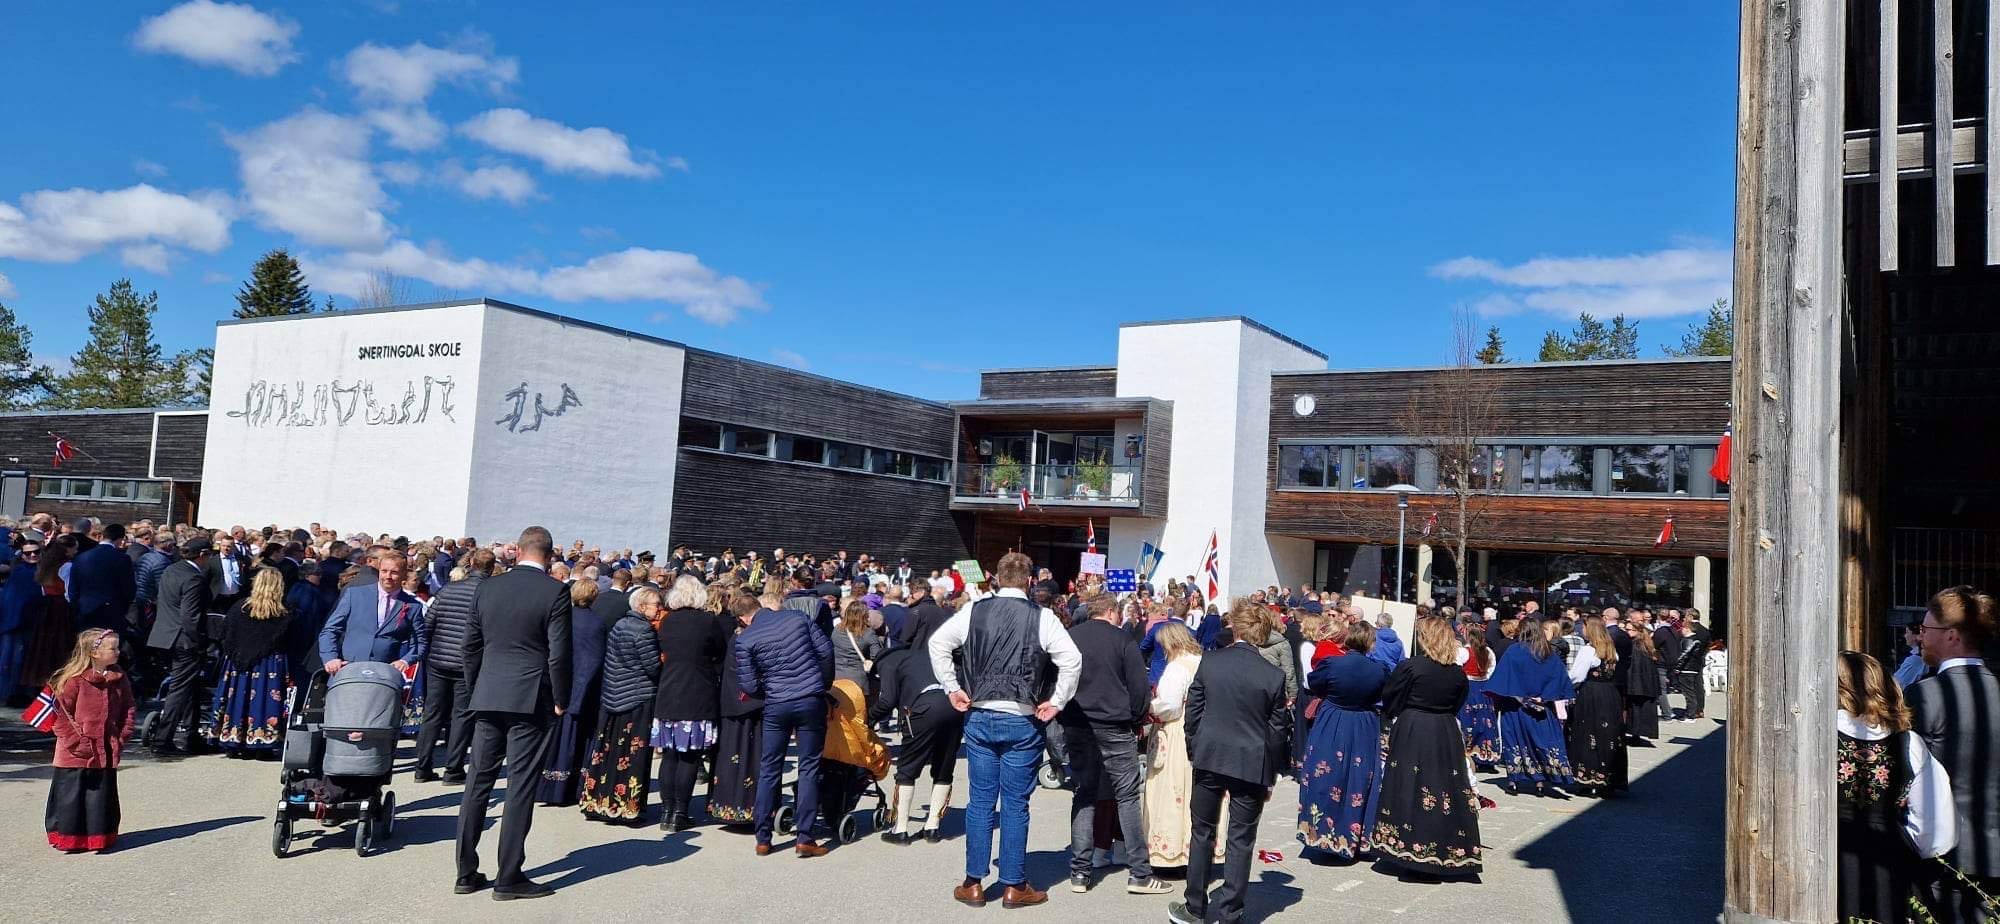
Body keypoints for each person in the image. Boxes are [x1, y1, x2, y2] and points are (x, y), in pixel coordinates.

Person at [928, 551, 1083, 909]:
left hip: (981, 712)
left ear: (997, 578)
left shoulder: (974, 609)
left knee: (981, 800)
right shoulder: (1042, 617)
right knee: (1015, 803)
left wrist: (952, 687)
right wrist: (1057, 700)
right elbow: (1071, 660)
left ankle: (973, 882)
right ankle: (1014, 884)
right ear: (1030, 582)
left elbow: (938, 644)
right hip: (1021, 714)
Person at [454, 526, 573, 902]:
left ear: (517, 550)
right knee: (519, 787)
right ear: (550, 555)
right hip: (530, 696)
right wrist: (561, 697)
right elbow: (559, 652)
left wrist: (476, 688)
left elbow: (470, 646)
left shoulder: (488, 586)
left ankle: (465, 871)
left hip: (488, 691)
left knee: (478, 783)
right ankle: (508, 876)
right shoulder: (555, 591)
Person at [1167, 599, 1291, 924]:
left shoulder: (1211, 662)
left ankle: (1195, 906)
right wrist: (1272, 774)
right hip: (1251, 760)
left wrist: (1195, 748)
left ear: (1234, 628)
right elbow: (1278, 732)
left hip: (1211, 755)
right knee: (1241, 838)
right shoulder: (1273, 675)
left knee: (1202, 831)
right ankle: (1229, 913)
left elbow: (1192, 713)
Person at [1059, 594, 1170, 894]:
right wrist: (1135, 722)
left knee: (1084, 794)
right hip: (1114, 723)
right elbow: (1138, 689)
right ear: (1110, 612)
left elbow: (1058, 679)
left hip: (1079, 722)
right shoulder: (1122, 640)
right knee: (1127, 797)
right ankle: (1140, 873)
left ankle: (1079, 872)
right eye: (1119, 613)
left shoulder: (1071, 637)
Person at [1837, 650, 1957, 923]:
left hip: (1825, 859)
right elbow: (1937, 828)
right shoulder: (1908, 743)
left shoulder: (1815, 737)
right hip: (1888, 861)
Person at [1905, 585, 2000, 922]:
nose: (1920, 638)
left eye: (1925, 630)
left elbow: (1903, 780)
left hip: (1942, 857)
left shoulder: (1924, 697)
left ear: (1952, 636)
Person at [1373, 617, 1483, 879]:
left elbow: (1391, 698)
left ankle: (1409, 850)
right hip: (1444, 729)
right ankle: (1441, 848)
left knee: (1408, 786)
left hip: (1414, 726)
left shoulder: (1411, 666)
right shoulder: (1456, 672)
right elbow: (1459, 701)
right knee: (1443, 788)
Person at [736, 576, 835, 857]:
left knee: (769, 768)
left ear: (745, 618)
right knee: (809, 767)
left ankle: (763, 837)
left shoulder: (746, 640)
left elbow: (747, 684)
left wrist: (766, 690)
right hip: (808, 698)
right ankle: (804, 836)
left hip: (776, 703)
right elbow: (825, 652)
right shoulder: (797, 619)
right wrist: (822, 684)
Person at [870, 594, 963, 844]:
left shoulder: (889, 662)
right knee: (943, 769)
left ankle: (900, 829)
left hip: (923, 708)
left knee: (907, 770)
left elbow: (887, 701)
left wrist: (867, 720)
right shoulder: (923, 656)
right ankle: (932, 827)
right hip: (954, 706)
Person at [1297, 619, 1389, 862]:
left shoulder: (1332, 664)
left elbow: (1315, 684)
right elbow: (1383, 694)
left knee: (1327, 773)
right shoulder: (1379, 669)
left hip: (1333, 719)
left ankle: (1322, 833)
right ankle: (1356, 836)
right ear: (1370, 643)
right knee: (1360, 778)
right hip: (1364, 722)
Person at [43, 628, 135, 853]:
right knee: (72, 797)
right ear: (94, 653)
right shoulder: (74, 681)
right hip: (75, 753)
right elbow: (59, 714)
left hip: (106, 748)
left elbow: (129, 707)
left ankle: (99, 836)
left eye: (117, 647)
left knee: (99, 797)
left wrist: (122, 735)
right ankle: (68, 837)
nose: (117, 652)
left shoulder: (119, 678)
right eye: (112, 648)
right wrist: (77, 742)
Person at [579, 585, 662, 825]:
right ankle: (626, 805)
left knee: (607, 750)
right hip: (636, 696)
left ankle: (596, 799)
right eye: (656, 604)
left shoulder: (620, 625)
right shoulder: (643, 631)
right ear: (642, 606)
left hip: (613, 693)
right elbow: (652, 667)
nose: (659, 609)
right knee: (632, 753)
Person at [653, 575, 729, 831]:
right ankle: (679, 812)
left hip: (669, 688)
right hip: (698, 690)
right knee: (690, 756)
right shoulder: (708, 621)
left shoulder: (667, 621)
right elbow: (720, 651)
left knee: (670, 755)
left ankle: (666, 810)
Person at [414, 548, 492, 783]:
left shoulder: (449, 589)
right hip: (467, 663)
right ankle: (453, 768)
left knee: (432, 714)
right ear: (491, 567)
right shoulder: (488, 593)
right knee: (462, 716)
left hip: (438, 659)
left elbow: (428, 625)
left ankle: (422, 767)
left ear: (470, 563)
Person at [206, 569, 295, 756]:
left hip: (238, 662)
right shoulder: (283, 612)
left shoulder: (239, 607)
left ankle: (234, 738)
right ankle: (263, 741)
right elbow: (286, 639)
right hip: (268, 663)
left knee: (238, 698)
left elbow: (226, 635)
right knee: (263, 700)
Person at [1485, 615, 1575, 795]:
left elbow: (1501, 678)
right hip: (1541, 707)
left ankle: (1513, 781)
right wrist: (1546, 697)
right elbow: (1560, 679)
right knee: (1539, 743)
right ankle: (1540, 782)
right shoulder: (1548, 652)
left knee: (1514, 743)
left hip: (1515, 707)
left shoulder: (1514, 651)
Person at [1143, 622, 1207, 870]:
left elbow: (1169, 706)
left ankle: (1171, 851)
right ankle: (1195, 848)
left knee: (1171, 788)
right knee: (1193, 790)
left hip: (1178, 730)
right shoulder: (1201, 661)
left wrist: (1150, 707)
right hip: (1201, 728)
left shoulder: (1177, 668)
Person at [538, 579, 607, 806]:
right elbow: (594, 661)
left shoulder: (563, 618)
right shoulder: (596, 623)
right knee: (574, 741)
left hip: (560, 685)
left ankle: (552, 788)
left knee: (558, 741)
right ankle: (571, 788)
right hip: (582, 689)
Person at [143, 536, 213, 756]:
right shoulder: (194, 578)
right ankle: (163, 740)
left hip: (165, 636)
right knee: (179, 689)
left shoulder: (171, 570)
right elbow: (189, 616)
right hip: (184, 639)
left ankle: (191, 736)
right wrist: (199, 642)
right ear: (202, 555)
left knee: (190, 687)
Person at [710, 589, 766, 828]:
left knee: (737, 755)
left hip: (736, 704)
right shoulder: (746, 638)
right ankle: (743, 807)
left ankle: (733, 806)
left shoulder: (741, 637)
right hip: (746, 705)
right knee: (747, 755)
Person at [318, 551, 424, 676]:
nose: (388, 576)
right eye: (384, 571)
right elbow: (330, 629)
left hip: (384, 675)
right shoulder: (355, 594)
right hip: (348, 671)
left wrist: (405, 661)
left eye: (394, 572)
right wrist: (330, 658)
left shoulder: (412, 605)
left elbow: (419, 642)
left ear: (403, 575)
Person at [1565, 616, 1629, 796]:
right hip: (1610, 694)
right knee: (1609, 735)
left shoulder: (1588, 650)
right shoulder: (1611, 649)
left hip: (1591, 694)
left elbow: (1576, 676)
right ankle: (1608, 778)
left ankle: (1590, 779)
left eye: (1584, 627)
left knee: (1588, 733)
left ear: (1590, 629)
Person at [66, 523, 135, 634]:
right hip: (112, 611)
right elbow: (129, 589)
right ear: (121, 539)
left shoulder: (81, 557)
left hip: (85, 609)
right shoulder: (122, 559)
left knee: (86, 644)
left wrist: (76, 606)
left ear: (103, 536)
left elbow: (73, 587)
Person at [1457, 620, 1500, 772]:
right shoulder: (1488, 652)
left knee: (1467, 721)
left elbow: (1457, 670)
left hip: (1468, 687)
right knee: (1485, 720)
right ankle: (1486, 753)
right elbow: (1491, 671)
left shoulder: (1463, 652)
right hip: (1484, 687)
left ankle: (1468, 752)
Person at [1621, 611, 1664, 744]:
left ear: (1636, 631)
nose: (1626, 632)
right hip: (1645, 684)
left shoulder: (1636, 645)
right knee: (1638, 709)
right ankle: (1636, 734)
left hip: (1637, 684)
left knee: (1635, 709)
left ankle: (1635, 734)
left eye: (1629, 629)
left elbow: (1634, 667)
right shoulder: (1646, 644)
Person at [831, 598, 884, 694]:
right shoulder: (868, 633)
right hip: (858, 680)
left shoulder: (837, 629)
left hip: (837, 677)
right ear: (864, 616)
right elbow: (877, 656)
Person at [1673, 610, 1713, 719]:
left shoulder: (1690, 629)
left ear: (1690, 616)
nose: (1684, 619)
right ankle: (1699, 709)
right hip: (1699, 660)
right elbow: (1708, 646)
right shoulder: (1705, 631)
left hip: (1689, 662)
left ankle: (1692, 711)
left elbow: (1685, 645)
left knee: (1689, 688)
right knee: (1698, 685)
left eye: (1685, 616)